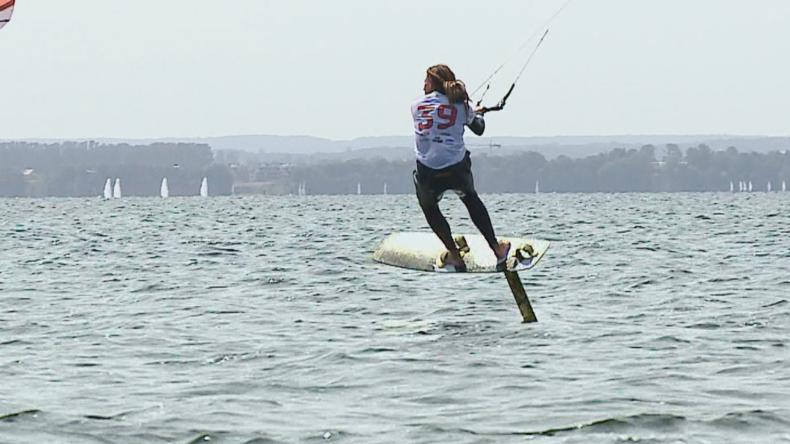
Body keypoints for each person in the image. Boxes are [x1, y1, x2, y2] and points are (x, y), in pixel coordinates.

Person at [411, 64, 510, 272]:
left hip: (428, 172)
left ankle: (454, 255)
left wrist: (468, 111)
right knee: (470, 198)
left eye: (426, 81)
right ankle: (496, 249)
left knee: (429, 207)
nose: (423, 85)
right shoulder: (461, 106)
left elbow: (437, 119)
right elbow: (479, 129)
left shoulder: (416, 105)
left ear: (433, 84)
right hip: (457, 168)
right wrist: (477, 114)